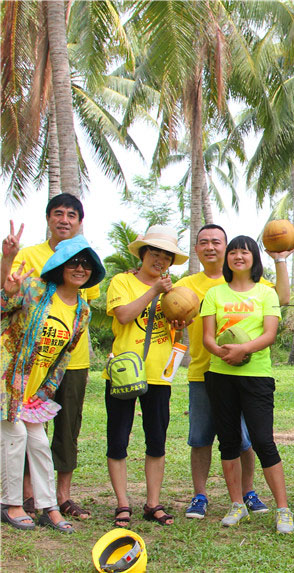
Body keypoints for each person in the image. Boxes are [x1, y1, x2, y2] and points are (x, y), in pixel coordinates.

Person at [177, 224, 291, 519]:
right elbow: (206, 336)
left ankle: (279, 507)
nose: (238, 255)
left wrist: (244, 350)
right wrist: (223, 353)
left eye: (245, 251)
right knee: (220, 440)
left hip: (255, 375)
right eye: (234, 252)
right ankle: (232, 503)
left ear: (254, 257)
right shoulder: (211, 292)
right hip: (215, 374)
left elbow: (271, 331)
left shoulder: (265, 291)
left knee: (260, 440)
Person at [0, 194, 100, 520]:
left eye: (86, 264)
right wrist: (7, 266)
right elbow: (4, 305)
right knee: (13, 439)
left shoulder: (81, 310)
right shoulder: (35, 291)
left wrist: (44, 394)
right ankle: (12, 505)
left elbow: (61, 360)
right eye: (73, 263)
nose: (79, 268)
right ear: (58, 267)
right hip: (9, 380)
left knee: (40, 444)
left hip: (37, 387)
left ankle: (49, 507)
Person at [104, 224, 187, 528]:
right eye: (155, 253)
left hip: (158, 376)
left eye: (167, 256)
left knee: (156, 440)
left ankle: (153, 503)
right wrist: (154, 291)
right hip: (124, 374)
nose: (160, 260)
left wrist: (179, 318)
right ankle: (122, 503)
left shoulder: (174, 290)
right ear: (142, 253)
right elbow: (124, 316)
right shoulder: (122, 282)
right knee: (118, 438)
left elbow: (175, 328)